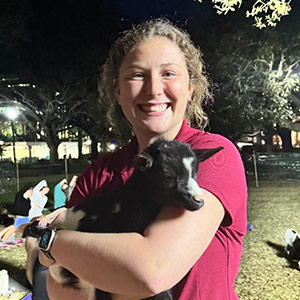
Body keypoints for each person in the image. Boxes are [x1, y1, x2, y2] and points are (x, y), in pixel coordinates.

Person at [39, 19, 247, 300]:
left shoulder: (209, 156)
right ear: (118, 91)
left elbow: (153, 271)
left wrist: (52, 243)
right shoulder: (97, 176)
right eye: (137, 75)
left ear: (190, 88)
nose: (153, 89)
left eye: (169, 73)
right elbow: (61, 287)